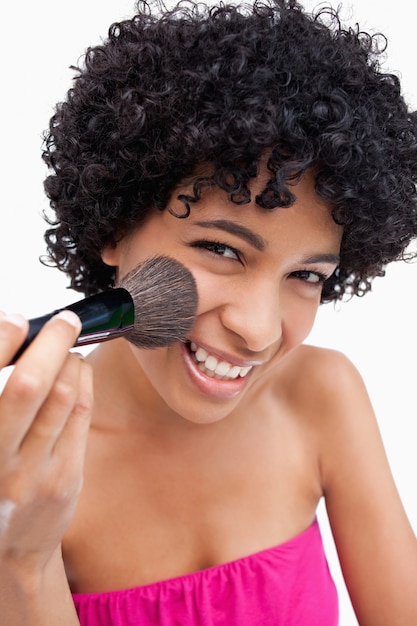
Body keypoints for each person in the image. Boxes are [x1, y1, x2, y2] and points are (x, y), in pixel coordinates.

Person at [1, 0, 417, 624]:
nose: (259, 329)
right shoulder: (30, 469)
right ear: (114, 225)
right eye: (221, 248)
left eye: (306, 276)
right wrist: (22, 558)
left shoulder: (321, 396)